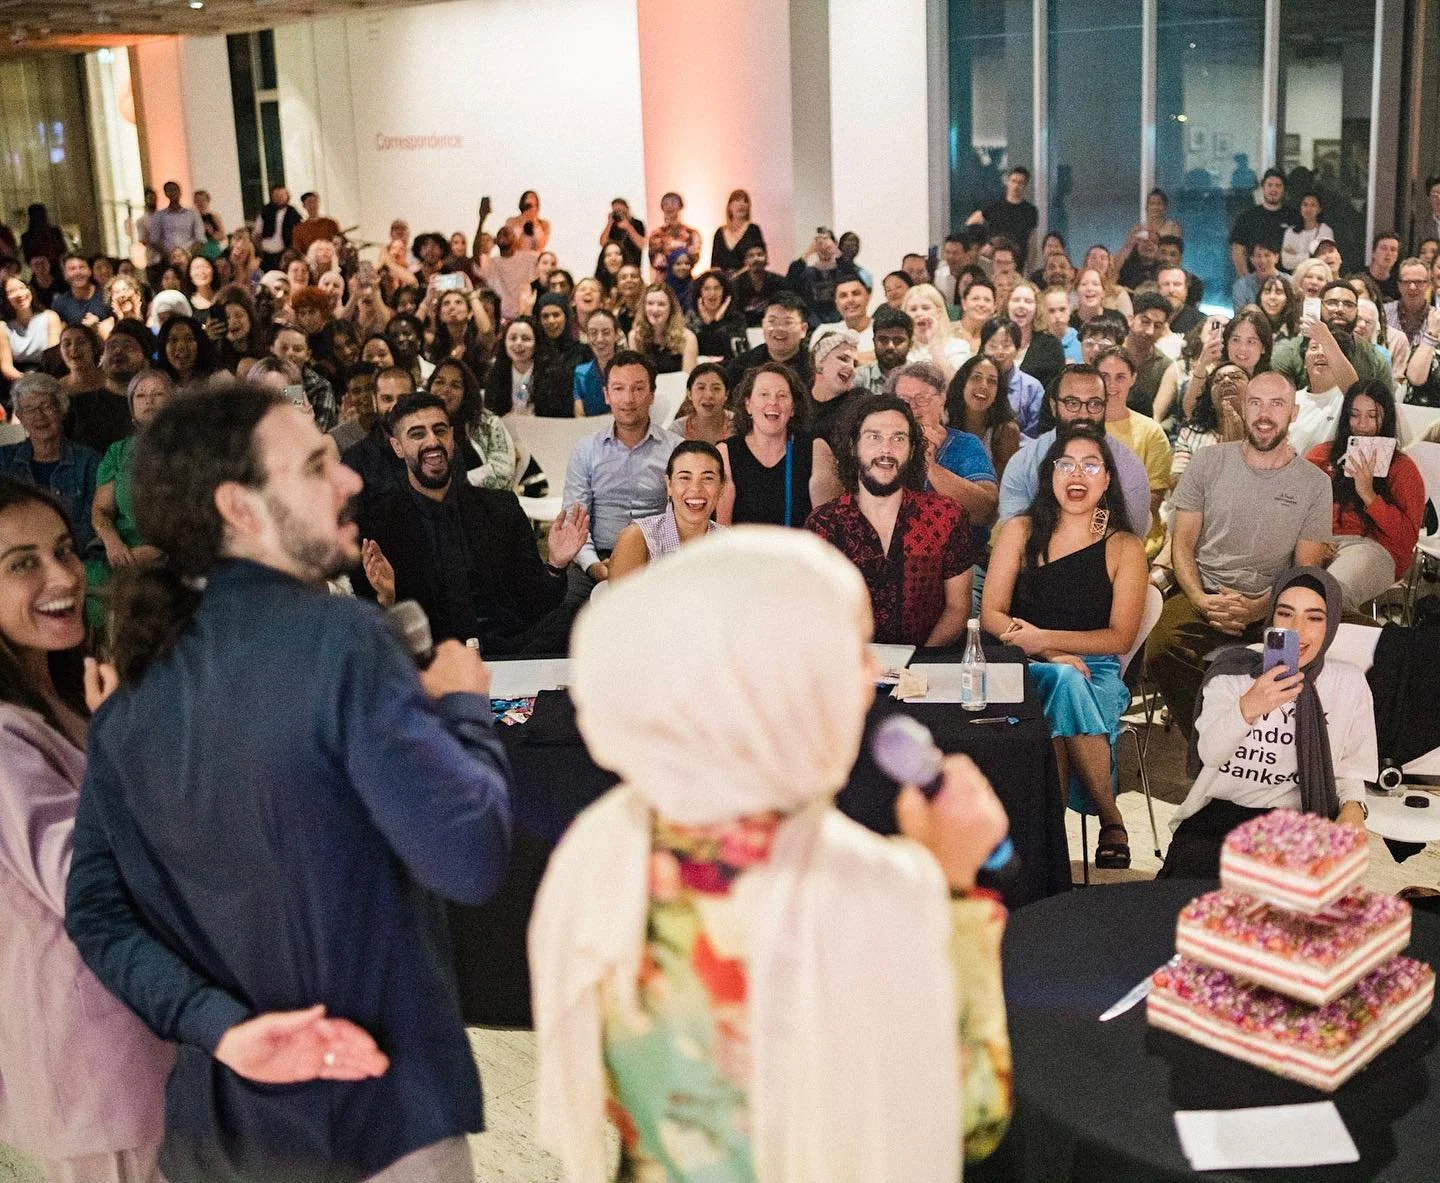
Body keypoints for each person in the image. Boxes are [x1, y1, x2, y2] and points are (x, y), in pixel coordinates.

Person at [64, 382, 514, 1183]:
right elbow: (468, 853)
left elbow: (98, 915)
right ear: (240, 508)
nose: (349, 483)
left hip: (223, 1126)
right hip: (380, 1120)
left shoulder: (134, 689)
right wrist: (466, 710)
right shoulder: (342, 642)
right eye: (316, 468)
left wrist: (221, 1026)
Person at [531, 526, 1011, 1183]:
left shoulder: (602, 844)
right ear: (771, 684)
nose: (873, 674)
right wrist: (951, 884)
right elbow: (970, 1112)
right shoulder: (869, 888)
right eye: (850, 651)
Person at [0, 477, 175, 1183]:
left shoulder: (62, 690)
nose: (63, 575)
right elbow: (86, 877)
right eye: (22, 563)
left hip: (144, 1043)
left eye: (65, 550)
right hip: (93, 1073)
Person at [981, 422, 1147, 867]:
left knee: (1065, 684)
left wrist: (1047, 639)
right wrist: (1047, 651)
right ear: (1050, 474)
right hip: (1022, 661)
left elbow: (1120, 637)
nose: (1078, 475)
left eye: (1091, 465)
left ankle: (1045, 843)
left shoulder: (1124, 546)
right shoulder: (1019, 530)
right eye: (1067, 464)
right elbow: (993, 614)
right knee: (1060, 678)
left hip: (1097, 669)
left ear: (1108, 479)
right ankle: (1111, 818)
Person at [1147, 372, 1332, 738]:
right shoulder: (1207, 462)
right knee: (1161, 651)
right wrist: (1201, 598)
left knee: (1318, 659)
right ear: (1243, 409)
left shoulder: (1315, 483)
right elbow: (1183, 544)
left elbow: (1304, 567)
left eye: (1277, 404)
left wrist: (1259, 607)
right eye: (1256, 403)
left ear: (1293, 413)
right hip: (1206, 594)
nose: (1265, 414)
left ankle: (1273, 753)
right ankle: (1207, 749)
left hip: (1275, 604)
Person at [1159, 568, 1374, 879]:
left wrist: (1354, 810)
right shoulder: (1233, 671)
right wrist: (1249, 705)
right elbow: (1209, 753)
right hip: (1222, 815)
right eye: (1285, 614)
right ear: (1271, 618)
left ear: (1331, 624)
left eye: (1314, 617)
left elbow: (1350, 768)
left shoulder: (1347, 683)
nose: (1297, 629)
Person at [354, 392, 586, 656]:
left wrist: (555, 565)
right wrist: (386, 600)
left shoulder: (500, 508)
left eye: (439, 430)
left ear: (452, 437)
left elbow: (535, 604)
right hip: (433, 658)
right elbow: (370, 628)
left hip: (509, 648)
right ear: (397, 446)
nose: (432, 441)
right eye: (417, 434)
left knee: (580, 617)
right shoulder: (378, 522)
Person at [807, 394, 976, 647]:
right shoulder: (824, 524)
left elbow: (957, 608)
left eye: (898, 438)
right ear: (853, 446)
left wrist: (916, 667)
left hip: (929, 670)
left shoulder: (947, 516)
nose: (886, 449)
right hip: (850, 669)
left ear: (912, 449)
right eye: (874, 437)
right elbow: (817, 614)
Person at [561, 350, 682, 591]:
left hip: (657, 556)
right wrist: (594, 566)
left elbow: (683, 517)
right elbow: (573, 520)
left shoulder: (675, 450)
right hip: (598, 556)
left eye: (638, 389)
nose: (628, 399)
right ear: (606, 395)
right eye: (618, 389)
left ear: (652, 395)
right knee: (568, 618)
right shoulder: (586, 450)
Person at [1304, 380, 1425, 613]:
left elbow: (1407, 537)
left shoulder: (1402, 468)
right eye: (1355, 415)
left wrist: (1369, 495)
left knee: (1331, 594)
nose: (1363, 425)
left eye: (1373, 416)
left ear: (1386, 419)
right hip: (1317, 540)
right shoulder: (1322, 455)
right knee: (1285, 584)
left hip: (1373, 547)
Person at [997, 365, 1153, 535]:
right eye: (1072, 403)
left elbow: (1130, 539)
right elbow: (1014, 536)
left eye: (1094, 404)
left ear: (1105, 407)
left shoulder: (1129, 467)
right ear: (1054, 406)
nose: (1084, 415)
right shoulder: (1023, 463)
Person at [717, 362, 839, 527]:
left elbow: (828, 528)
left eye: (782, 395)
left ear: (793, 407)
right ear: (748, 405)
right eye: (764, 394)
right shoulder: (726, 452)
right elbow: (722, 529)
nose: (773, 402)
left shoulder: (816, 449)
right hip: (742, 552)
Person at [888, 361, 997, 542]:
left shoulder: (965, 445)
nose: (912, 407)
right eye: (904, 401)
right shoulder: (885, 447)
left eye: (921, 398)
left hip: (955, 558)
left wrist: (930, 466)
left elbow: (985, 511)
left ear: (942, 399)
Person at [0, 374, 100, 556]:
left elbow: (91, 525)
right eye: (29, 409)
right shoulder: (4, 460)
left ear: (61, 409)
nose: (39, 415)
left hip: (74, 555)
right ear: (20, 417)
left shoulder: (89, 461)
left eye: (46, 406)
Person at [90, 369, 172, 573]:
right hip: (123, 552)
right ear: (132, 407)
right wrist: (113, 543)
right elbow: (101, 510)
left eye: (158, 394)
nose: (149, 401)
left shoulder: (193, 449)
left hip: (179, 553)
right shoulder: (118, 451)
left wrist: (164, 551)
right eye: (141, 395)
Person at [608, 439, 724, 579]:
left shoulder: (731, 542)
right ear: (669, 485)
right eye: (685, 478)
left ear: (722, 487)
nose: (696, 489)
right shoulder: (638, 537)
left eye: (707, 478)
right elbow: (620, 600)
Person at [1095, 348, 1171, 555]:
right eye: (1104, 377)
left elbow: (1154, 497)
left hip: (1134, 539)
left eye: (1120, 377)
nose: (1112, 385)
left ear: (1133, 379)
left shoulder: (1151, 432)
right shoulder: (1080, 428)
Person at [428, 358, 516, 491]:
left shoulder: (488, 423)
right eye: (439, 382)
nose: (445, 389)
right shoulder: (416, 422)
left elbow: (503, 469)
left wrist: (459, 484)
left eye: (455, 385)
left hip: (479, 500)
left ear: (466, 393)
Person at [947, 354, 1021, 482]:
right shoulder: (943, 421)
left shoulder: (1006, 431)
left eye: (992, 381)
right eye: (977, 377)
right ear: (963, 383)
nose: (984, 385)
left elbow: (1001, 488)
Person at [725, 291, 814, 391]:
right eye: (772, 321)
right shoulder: (742, 366)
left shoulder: (815, 368)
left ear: (803, 329)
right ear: (763, 325)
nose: (779, 328)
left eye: (788, 322)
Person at [1288, 328, 1355, 456]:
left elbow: (1355, 389)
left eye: (1327, 348)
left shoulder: (1347, 398)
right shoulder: (1292, 399)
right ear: (1304, 362)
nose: (1321, 353)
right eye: (1314, 348)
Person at [980, 317, 1044, 439]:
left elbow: (1036, 437)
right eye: (993, 345)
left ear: (1017, 349)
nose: (999, 352)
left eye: (1006, 345)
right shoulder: (970, 380)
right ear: (983, 347)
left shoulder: (1032, 387)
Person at [1229, 168, 1295, 281]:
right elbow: (1238, 251)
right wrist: (1246, 281)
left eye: (1278, 186)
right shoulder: (1247, 217)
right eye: (1269, 185)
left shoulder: (1294, 216)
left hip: (1287, 281)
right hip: (1256, 282)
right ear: (1263, 187)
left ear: (1284, 189)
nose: (1273, 189)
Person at [785, 228, 856, 329]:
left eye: (826, 239)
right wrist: (809, 252)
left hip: (840, 321)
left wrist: (836, 250)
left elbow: (853, 277)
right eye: (819, 241)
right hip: (813, 323)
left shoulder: (843, 268)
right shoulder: (808, 272)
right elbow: (790, 283)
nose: (823, 245)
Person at [968, 166, 1038, 266]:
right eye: (1013, 181)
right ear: (1008, 182)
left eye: (1020, 182)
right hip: (993, 260)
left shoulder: (1030, 211)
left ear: (1025, 186)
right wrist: (980, 245)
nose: (1016, 186)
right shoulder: (994, 206)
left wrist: (1031, 267)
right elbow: (972, 222)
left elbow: (1032, 242)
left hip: (1017, 262)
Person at [808, 328, 861, 449]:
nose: (851, 368)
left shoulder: (859, 401)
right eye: (843, 359)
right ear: (820, 362)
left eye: (855, 364)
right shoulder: (797, 401)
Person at [629, 282, 698, 374]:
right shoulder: (635, 337)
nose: (655, 309)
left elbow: (689, 379)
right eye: (650, 303)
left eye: (661, 304)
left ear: (671, 308)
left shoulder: (688, 338)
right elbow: (636, 376)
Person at [3, 272, 60, 372]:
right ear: (5, 299)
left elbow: (54, 358)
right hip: (20, 378)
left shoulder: (50, 317)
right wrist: (25, 380)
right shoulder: (3, 327)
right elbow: (7, 367)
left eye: (22, 288)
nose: (19, 294)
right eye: (12, 291)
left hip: (48, 373)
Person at [687, 269, 748, 361]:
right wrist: (711, 325)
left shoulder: (736, 319)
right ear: (700, 293)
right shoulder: (691, 318)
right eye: (706, 289)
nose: (712, 294)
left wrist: (715, 323)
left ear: (725, 292)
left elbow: (734, 351)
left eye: (717, 288)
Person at [810, 273, 874, 359]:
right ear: (836, 303)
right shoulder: (824, 332)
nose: (850, 300)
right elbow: (815, 364)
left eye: (856, 293)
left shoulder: (883, 330)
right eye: (843, 296)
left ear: (868, 297)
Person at [572, 308, 622, 417]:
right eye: (593, 333)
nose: (599, 339)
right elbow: (579, 417)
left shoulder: (630, 370)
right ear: (587, 337)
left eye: (606, 332)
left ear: (617, 335)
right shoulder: (581, 373)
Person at [854, 304, 914, 394]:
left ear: (910, 344)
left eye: (898, 340)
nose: (890, 346)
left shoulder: (922, 378)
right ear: (874, 342)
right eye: (883, 339)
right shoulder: (858, 377)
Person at [670, 362, 734, 443]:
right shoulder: (677, 430)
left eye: (716, 388)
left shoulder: (739, 426)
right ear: (689, 394)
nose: (709, 395)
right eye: (701, 388)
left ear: (726, 394)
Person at [51, 255, 114, 335]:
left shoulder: (107, 296)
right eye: (72, 269)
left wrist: (98, 327)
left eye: (82, 267)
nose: (78, 272)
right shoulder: (59, 304)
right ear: (65, 275)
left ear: (90, 271)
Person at [730, 243, 788, 327]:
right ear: (745, 261)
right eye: (751, 256)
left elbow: (784, 308)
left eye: (760, 255)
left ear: (766, 258)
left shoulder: (779, 281)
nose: (756, 259)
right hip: (744, 328)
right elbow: (734, 313)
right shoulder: (736, 284)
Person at [710, 189, 765, 273]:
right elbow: (714, 265)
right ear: (729, 207)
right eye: (737, 200)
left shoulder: (753, 230)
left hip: (747, 280)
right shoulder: (719, 232)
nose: (741, 204)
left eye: (745, 201)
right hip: (724, 282)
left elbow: (760, 258)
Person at [252, 183, 301, 271]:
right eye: (276, 195)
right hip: (266, 254)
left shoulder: (293, 212)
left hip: (285, 253)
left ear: (287, 196)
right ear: (272, 197)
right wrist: (260, 252)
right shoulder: (265, 211)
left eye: (282, 195)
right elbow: (256, 234)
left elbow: (299, 231)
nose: (280, 198)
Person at [1280, 192, 1333, 272]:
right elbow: (1286, 263)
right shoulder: (1290, 232)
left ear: (1319, 209)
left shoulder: (1325, 231)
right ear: (1300, 208)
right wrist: (1311, 255)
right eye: (1305, 205)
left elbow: (1323, 259)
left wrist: (1296, 255)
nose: (1308, 209)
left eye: (1313, 205)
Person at [647, 191, 702, 263]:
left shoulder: (692, 233)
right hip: (664, 273)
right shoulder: (655, 235)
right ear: (662, 208)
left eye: (673, 203)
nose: (669, 206)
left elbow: (694, 257)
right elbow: (655, 261)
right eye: (666, 204)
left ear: (680, 206)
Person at [597, 197, 646, 270]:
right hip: (613, 267)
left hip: (632, 265)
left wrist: (628, 227)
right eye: (616, 211)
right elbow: (603, 243)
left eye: (620, 211)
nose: (619, 214)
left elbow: (642, 244)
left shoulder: (637, 224)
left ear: (627, 209)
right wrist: (609, 223)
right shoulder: (612, 226)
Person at [1368, 230, 1401, 302]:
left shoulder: (1399, 284)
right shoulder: (1360, 279)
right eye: (1383, 248)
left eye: (1393, 249)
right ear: (1373, 252)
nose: (1388, 253)